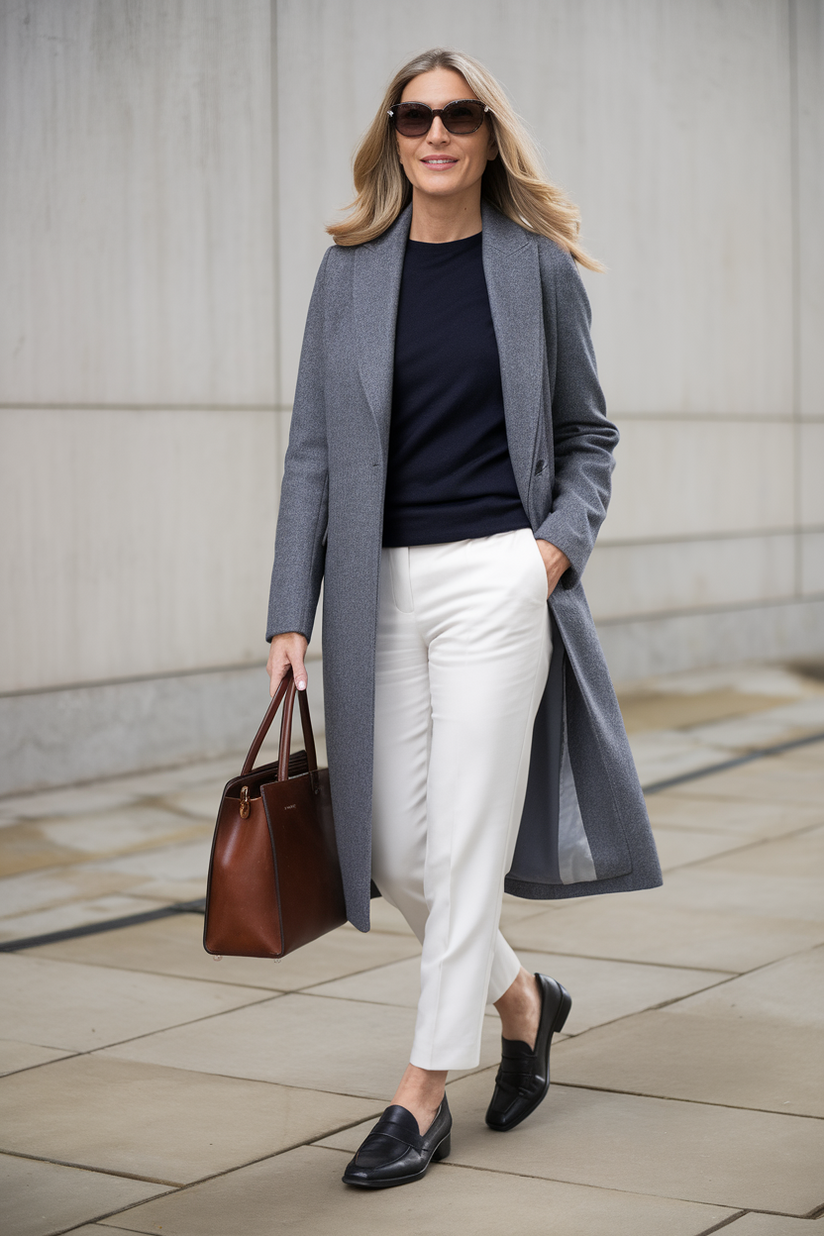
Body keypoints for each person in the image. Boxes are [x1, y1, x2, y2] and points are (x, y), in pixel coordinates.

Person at [266, 47, 661, 1190]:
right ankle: (527, 1001)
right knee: (389, 849)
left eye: (459, 115)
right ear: (391, 134)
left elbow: (589, 436)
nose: (435, 133)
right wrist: (290, 609)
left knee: (464, 847)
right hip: (375, 589)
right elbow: (308, 459)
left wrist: (547, 554)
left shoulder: (533, 268)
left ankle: (420, 1092)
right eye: (414, 116)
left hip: (495, 578)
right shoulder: (346, 276)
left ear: (489, 134)